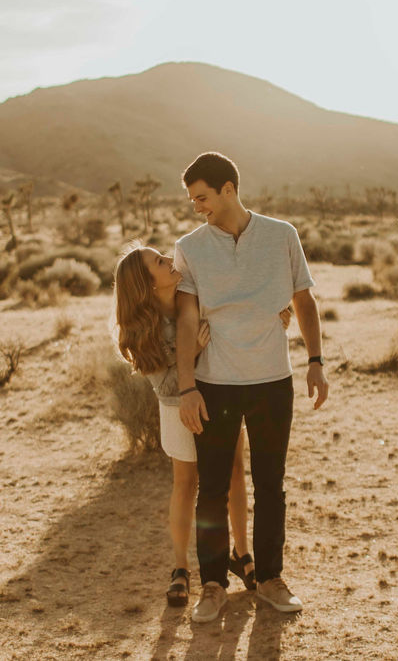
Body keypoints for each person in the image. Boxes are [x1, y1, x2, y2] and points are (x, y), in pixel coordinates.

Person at [173, 152, 329, 623]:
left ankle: (270, 580)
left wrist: (316, 362)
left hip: (272, 381)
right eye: (192, 200)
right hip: (214, 384)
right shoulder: (190, 246)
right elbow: (184, 320)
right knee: (213, 490)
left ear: (228, 189)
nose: (197, 207)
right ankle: (214, 586)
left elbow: (304, 300)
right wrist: (187, 387)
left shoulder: (282, 236)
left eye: (202, 197)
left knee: (271, 485)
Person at [112, 245, 291, 606]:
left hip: (220, 399)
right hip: (178, 409)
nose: (168, 260)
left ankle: (242, 555)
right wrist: (190, 353)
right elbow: (163, 385)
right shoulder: (142, 330)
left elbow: (236, 310)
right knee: (188, 483)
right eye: (159, 263)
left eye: (163, 255)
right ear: (147, 285)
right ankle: (180, 568)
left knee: (235, 473)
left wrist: (273, 315)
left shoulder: (192, 296)